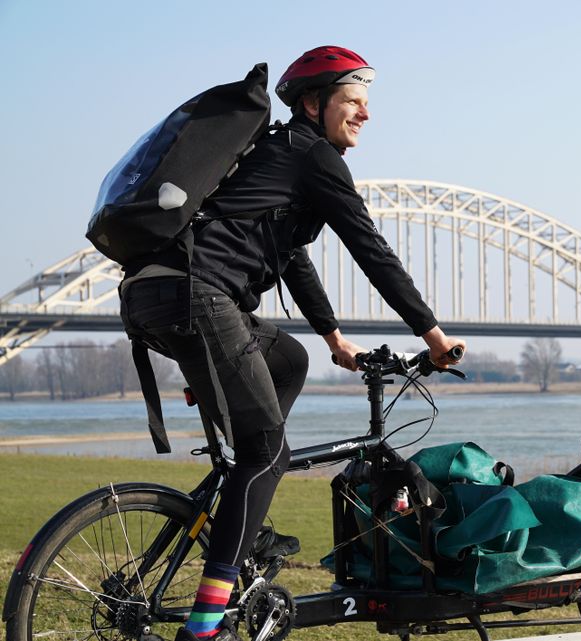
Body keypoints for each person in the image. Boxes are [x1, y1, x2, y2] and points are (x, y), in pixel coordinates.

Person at [119, 46, 466, 641]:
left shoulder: (275, 154)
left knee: (290, 358)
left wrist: (333, 337)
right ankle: (205, 625)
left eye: (366, 103)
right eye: (352, 101)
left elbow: (292, 257)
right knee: (267, 455)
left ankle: (243, 506)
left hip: (154, 294)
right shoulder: (313, 155)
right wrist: (432, 335)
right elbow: (370, 248)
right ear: (312, 104)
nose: (365, 114)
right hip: (199, 296)